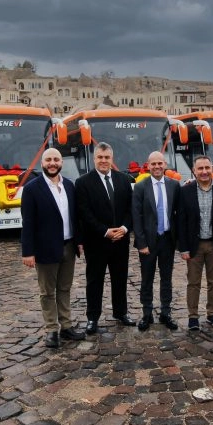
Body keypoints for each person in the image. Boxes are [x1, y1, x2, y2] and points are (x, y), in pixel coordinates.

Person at [20, 149, 87, 348]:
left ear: (61, 163)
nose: (52, 163)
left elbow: (75, 217)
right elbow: (28, 223)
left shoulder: (69, 185)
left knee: (64, 288)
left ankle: (66, 326)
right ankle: (51, 330)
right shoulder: (32, 189)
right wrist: (28, 252)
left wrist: (79, 241)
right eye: (48, 160)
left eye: (56, 159)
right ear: (42, 163)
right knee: (47, 291)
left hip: (69, 246)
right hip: (45, 248)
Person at [75, 142, 135, 333]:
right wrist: (105, 231)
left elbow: (130, 209)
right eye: (100, 157)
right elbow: (84, 213)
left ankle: (121, 312)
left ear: (112, 158)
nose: (103, 161)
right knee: (94, 280)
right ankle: (92, 317)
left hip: (120, 240)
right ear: (94, 159)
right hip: (96, 241)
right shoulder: (83, 182)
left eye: (107, 157)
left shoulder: (124, 179)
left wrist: (124, 229)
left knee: (120, 278)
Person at [176, 155, 213, 331]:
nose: (204, 171)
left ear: (212, 169)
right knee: (193, 283)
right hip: (195, 245)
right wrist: (183, 247)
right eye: (200, 168)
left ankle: (212, 313)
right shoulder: (185, 191)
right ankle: (193, 316)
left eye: (207, 168)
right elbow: (181, 221)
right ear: (194, 171)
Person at [131, 151, 181, 331]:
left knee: (166, 278)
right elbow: (136, 216)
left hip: (167, 239)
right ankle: (147, 313)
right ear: (148, 165)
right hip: (148, 242)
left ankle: (166, 312)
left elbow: (178, 214)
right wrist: (141, 243)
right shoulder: (140, 187)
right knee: (147, 279)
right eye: (153, 164)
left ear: (165, 164)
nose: (157, 166)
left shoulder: (174, 185)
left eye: (160, 163)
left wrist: (179, 241)